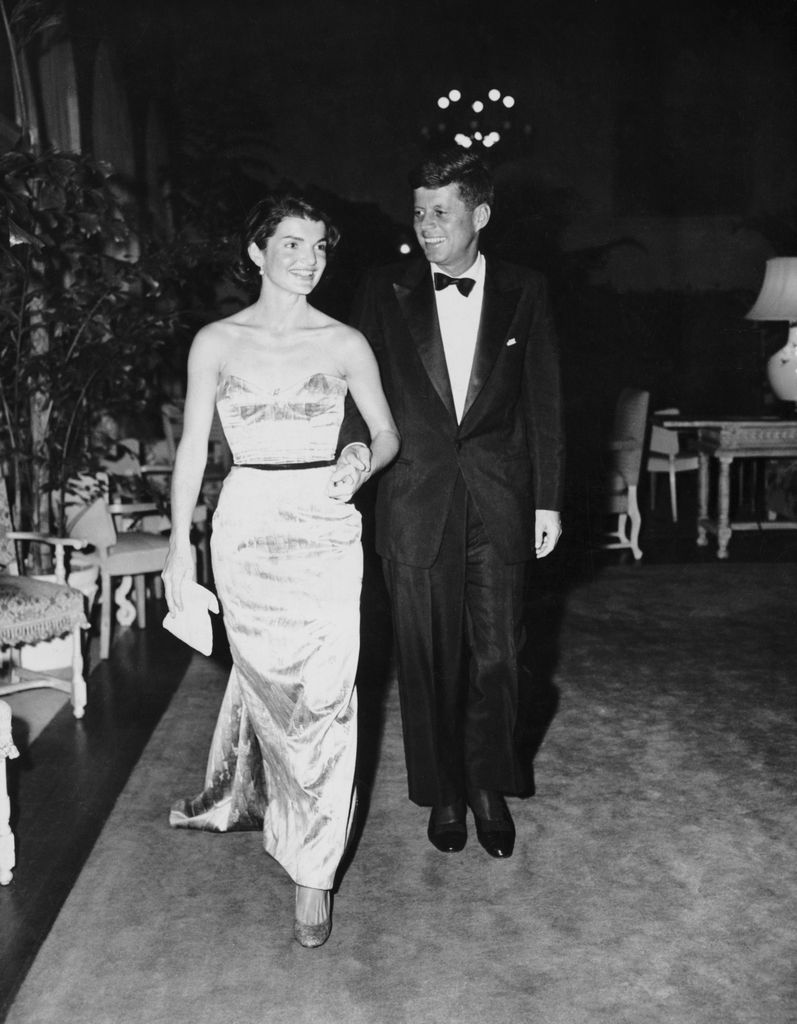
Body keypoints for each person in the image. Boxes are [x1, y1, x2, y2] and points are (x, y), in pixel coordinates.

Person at [161, 195, 399, 948]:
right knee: (274, 697)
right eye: (290, 244)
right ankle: (273, 805)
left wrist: (362, 459)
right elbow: (195, 450)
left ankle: (312, 874)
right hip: (247, 528)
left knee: (329, 695)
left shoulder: (345, 343)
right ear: (257, 252)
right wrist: (177, 544)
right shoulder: (215, 344)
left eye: (319, 246)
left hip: (327, 527)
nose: (308, 258)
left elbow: (388, 431)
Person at [346, 149, 564, 859]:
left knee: (499, 655)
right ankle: (443, 791)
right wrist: (347, 483)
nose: (426, 225)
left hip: (499, 499)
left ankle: (486, 783)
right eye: (418, 211)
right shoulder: (383, 290)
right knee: (426, 656)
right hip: (412, 498)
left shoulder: (525, 289)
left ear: (480, 215)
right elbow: (359, 400)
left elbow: (545, 403)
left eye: (441, 212)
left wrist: (548, 501)